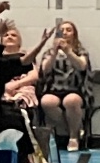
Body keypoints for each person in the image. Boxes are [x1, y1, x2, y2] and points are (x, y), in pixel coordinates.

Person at [35, 20, 92, 150]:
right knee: (47, 102)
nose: (65, 33)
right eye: (62, 30)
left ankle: (73, 138)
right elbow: (45, 69)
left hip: (75, 89)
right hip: (54, 89)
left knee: (71, 101)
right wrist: (55, 53)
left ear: (74, 34)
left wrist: (68, 52)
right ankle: (73, 129)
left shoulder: (80, 51)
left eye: (69, 30)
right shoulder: (49, 52)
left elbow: (82, 66)